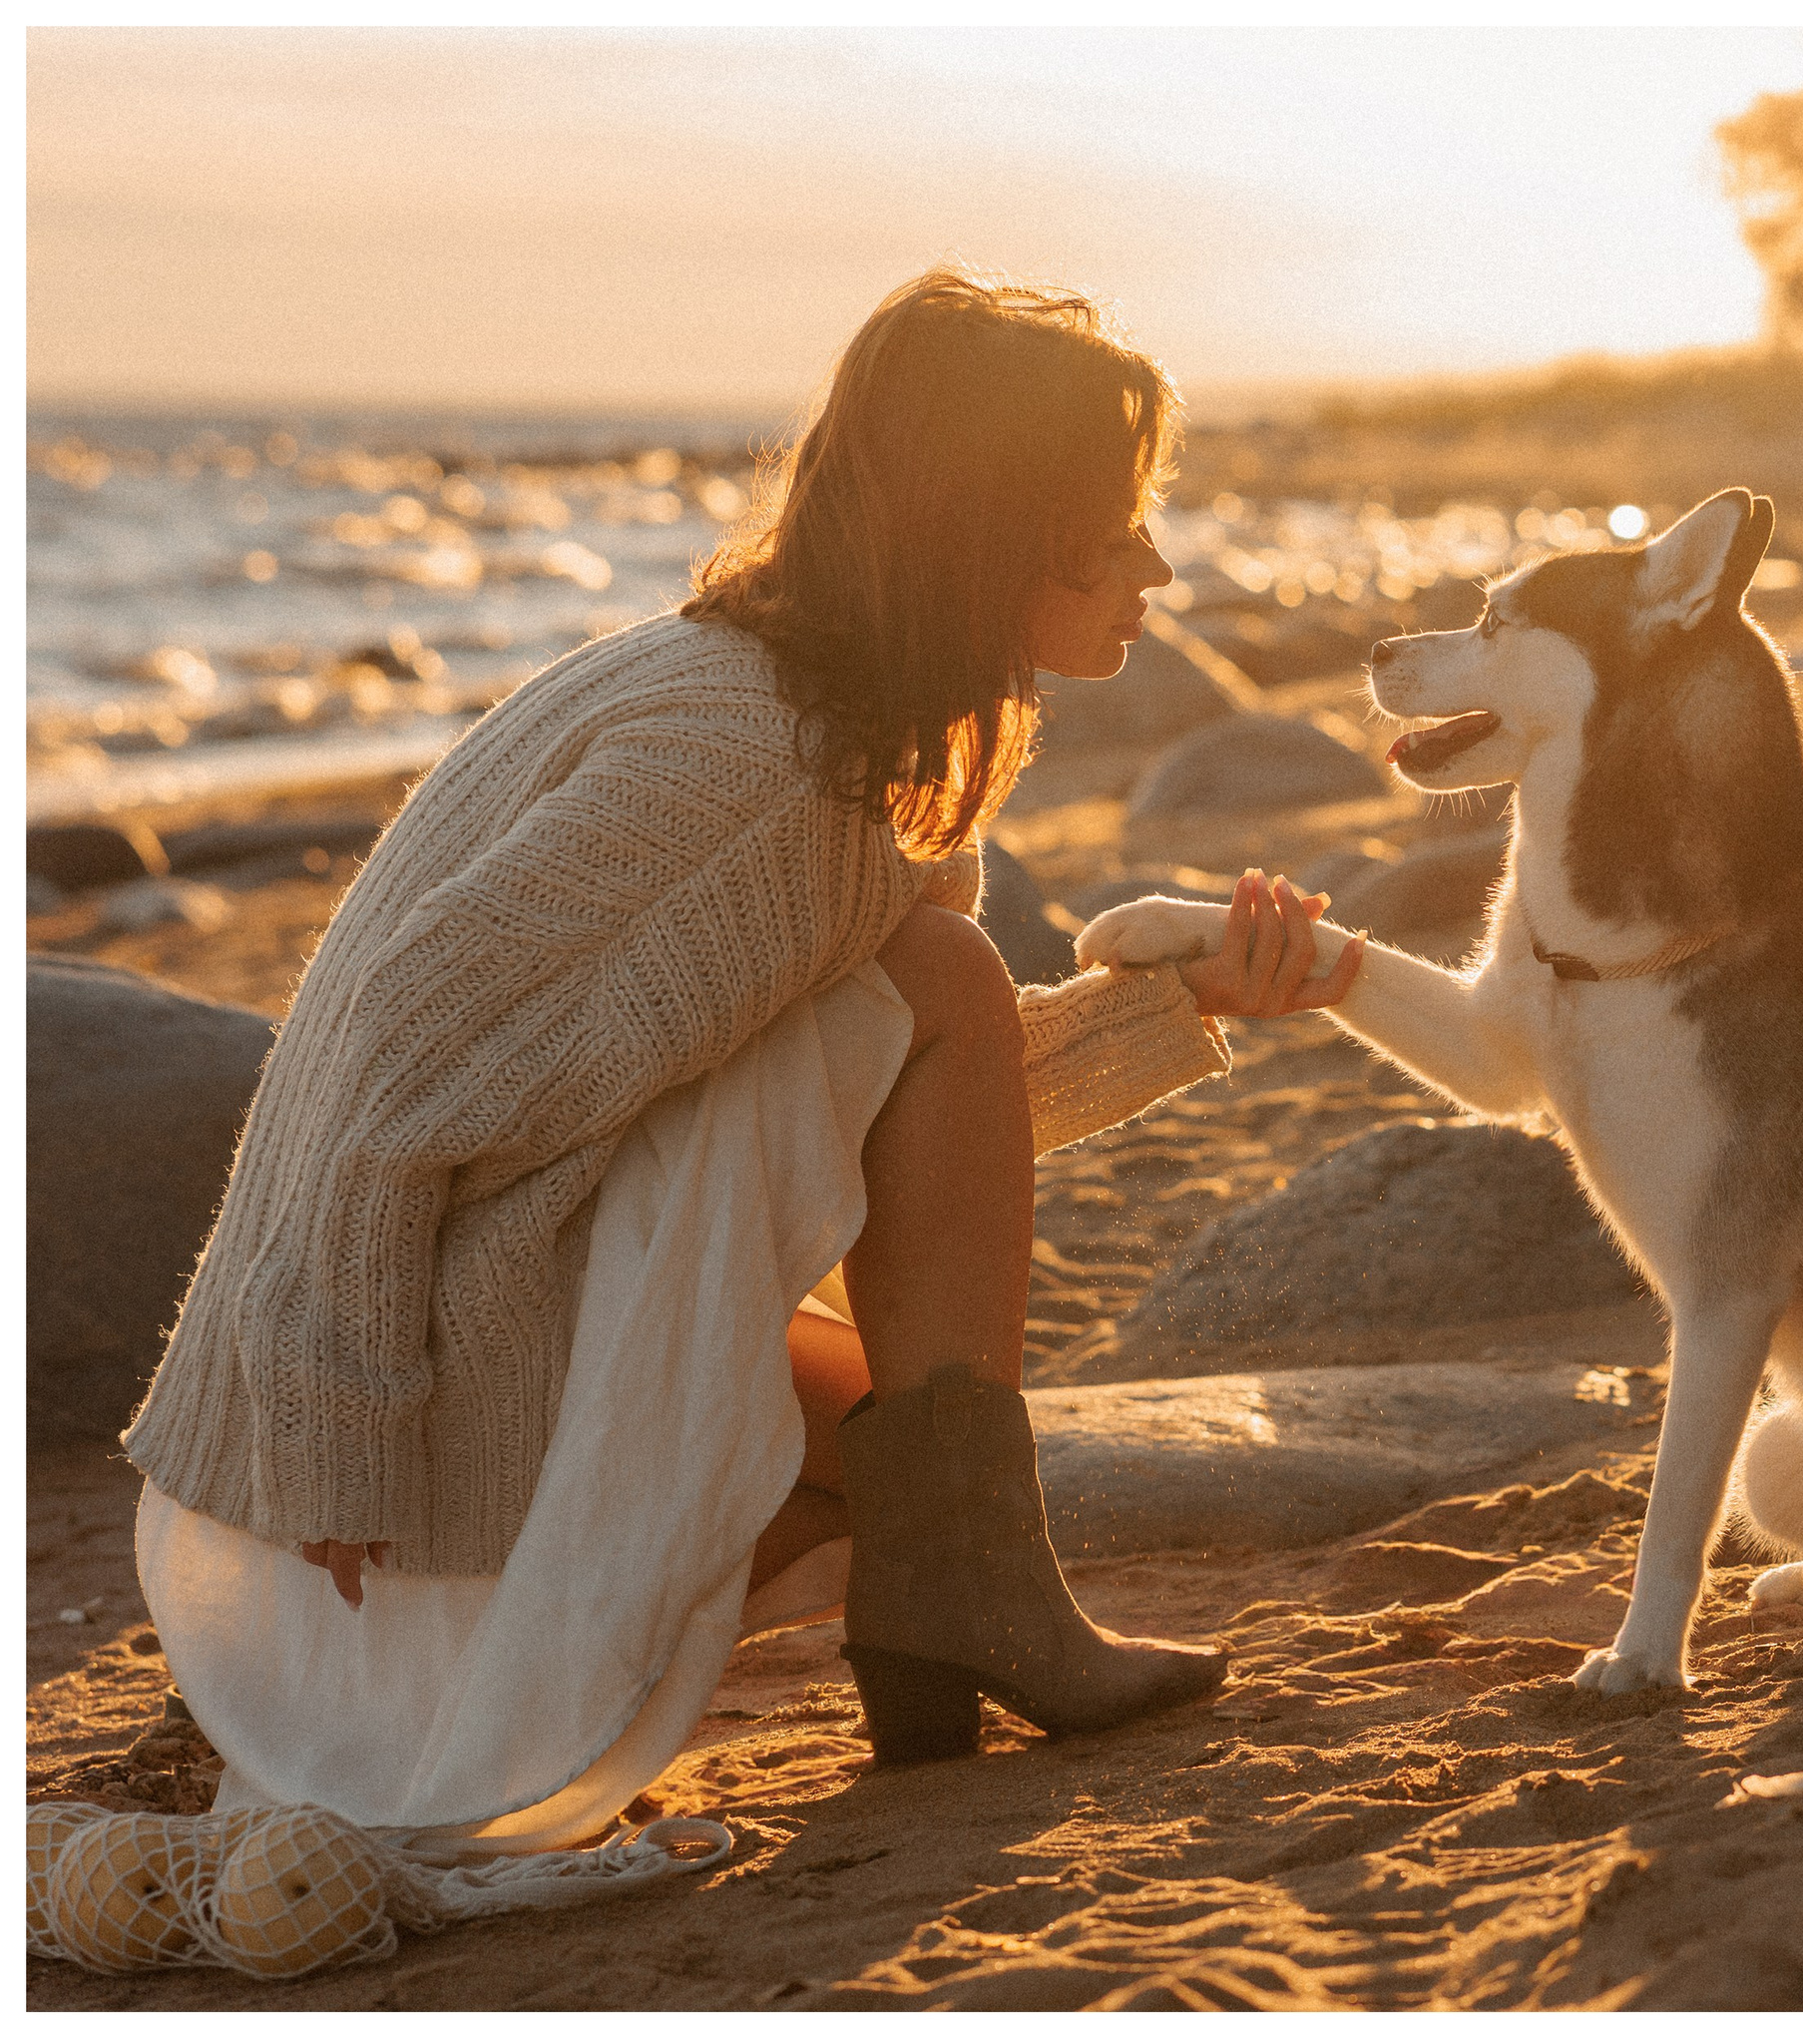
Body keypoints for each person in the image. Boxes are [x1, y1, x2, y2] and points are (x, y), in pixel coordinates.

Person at [120, 269, 1365, 1849]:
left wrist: (1181, 1006)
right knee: (935, 1003)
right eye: (1118, 523)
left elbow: (908, 1126)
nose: (1160, 566)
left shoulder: (809, 730)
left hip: (426, 1389)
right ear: (995, 522)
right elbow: (386, 1056)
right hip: (350, 1504)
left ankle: (959, 1611)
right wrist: (333, 1440)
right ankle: (953, 1610)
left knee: (909, 1462)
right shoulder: (752, 763)